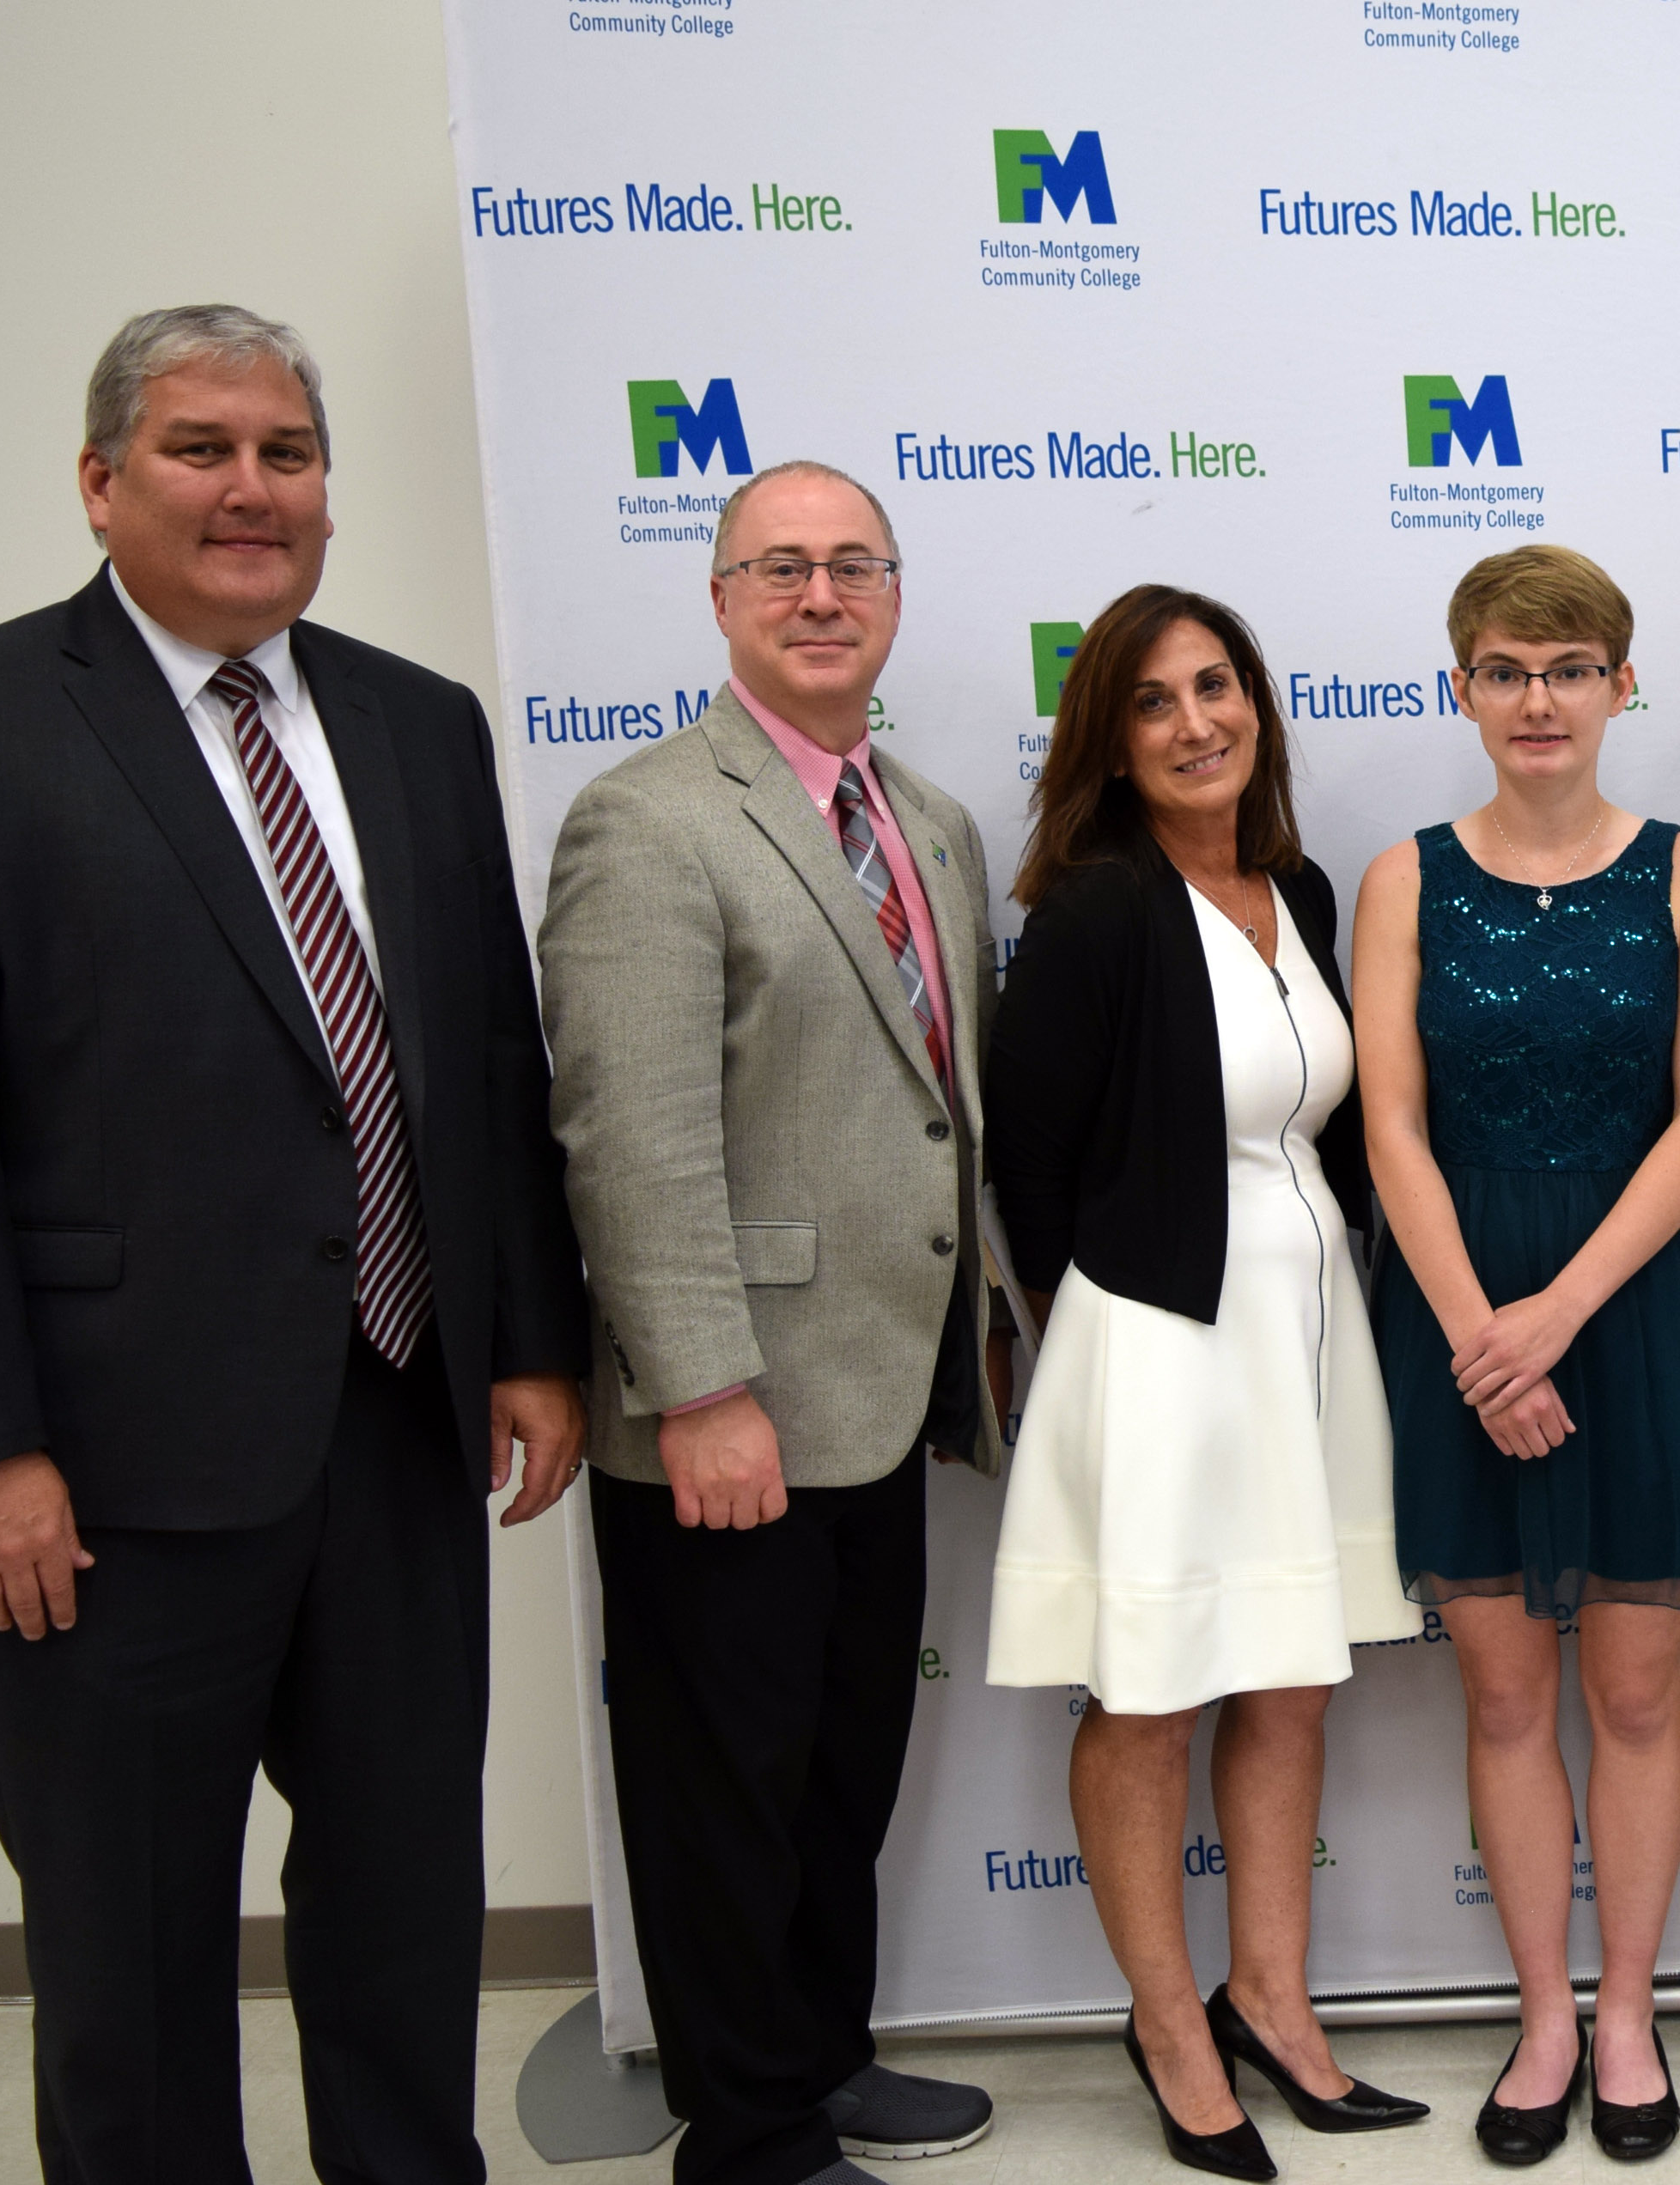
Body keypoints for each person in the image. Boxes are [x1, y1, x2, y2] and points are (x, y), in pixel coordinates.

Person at [0, 305, 588, 2183]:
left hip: (401, 1425)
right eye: (200, 448)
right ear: (100, 483)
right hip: (104, 1463)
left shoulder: (419, 722)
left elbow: (486, 1057)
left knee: (408, 1897)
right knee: (135, 1941)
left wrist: (527, 1340)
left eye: (288, 453)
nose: (252, 487)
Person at [540, 459, 1004, 2185]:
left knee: (836, 1770)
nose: (822, 594)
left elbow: (946, 1110)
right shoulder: (650, 819)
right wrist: (704, 1388)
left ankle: (816, 2057)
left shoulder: (930, 820)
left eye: (853, 565)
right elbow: (628, 1131)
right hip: (732, 1410)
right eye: (782, 567)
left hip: (886, 1390)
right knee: (723, 1787)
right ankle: (742, 2130)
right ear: (721, 598)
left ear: (892, 594)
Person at [983, 585, 1425, 2181]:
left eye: (1217, 688)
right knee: (1153, 1691)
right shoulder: (1097, 908)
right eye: (1155, 702)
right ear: (1109, 738)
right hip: (1160, 1328)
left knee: (1292, 1673)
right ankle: (1171, 2031)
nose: (1195, 724)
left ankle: (1273, 2004)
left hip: (1309, 1321)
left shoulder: (1294, 885)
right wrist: (1087, 1337)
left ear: (1257, 707)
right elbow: (1028, 1165)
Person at [1357, 544, 1680, 2165]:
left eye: (1572, 668)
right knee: (1507, 1698)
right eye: (1508, 671)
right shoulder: (1400, 879)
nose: (1540, 700)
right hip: (1457, 1308)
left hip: (1633, 1301)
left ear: (1618, 685)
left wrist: (1558, 1321)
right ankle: (1540, 2022)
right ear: (1462, 685)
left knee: (1640, 1695)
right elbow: (1388, 1123)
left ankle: (1633, 2014)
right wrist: (1480, 1342)